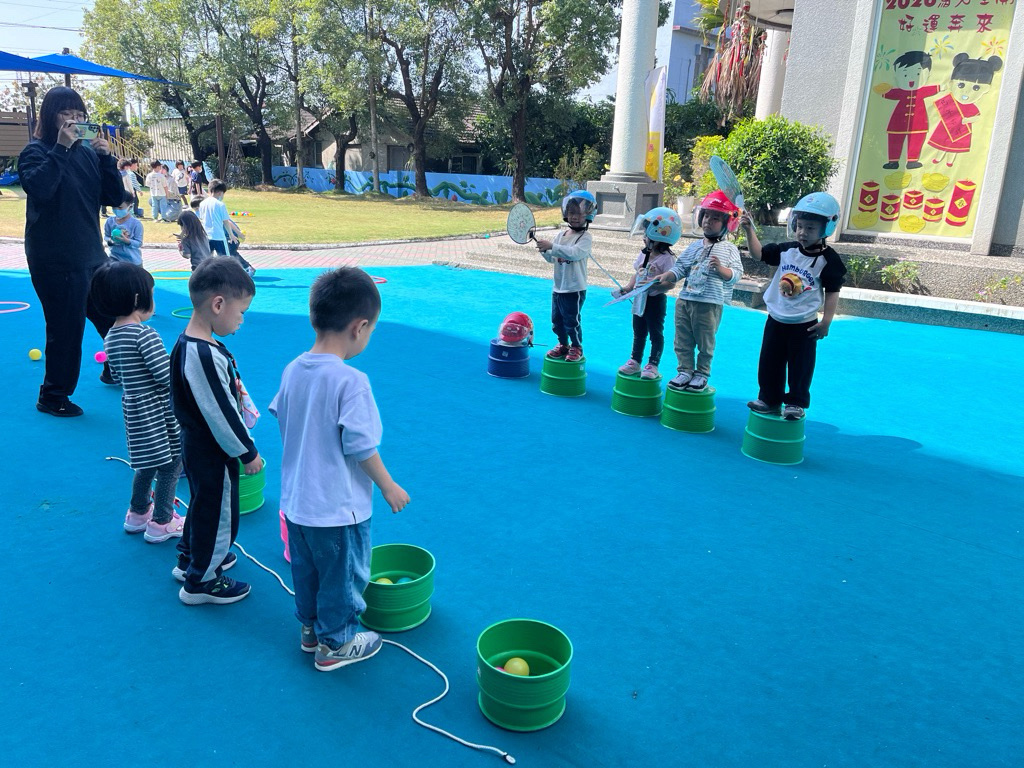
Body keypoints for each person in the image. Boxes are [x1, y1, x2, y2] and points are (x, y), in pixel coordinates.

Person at [270, 267, 410, 671]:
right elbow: (361, 445)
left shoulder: (293, 369)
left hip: (297, 504)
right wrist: (388, 486)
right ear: (359, 327)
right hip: (337, 509)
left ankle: (311, 630)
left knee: (308, 571)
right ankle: (338, 642)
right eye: (371, 330)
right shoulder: (351, 381)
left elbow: (282, 416)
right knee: (343, 575)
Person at [18, 85, 124, 417]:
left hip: (92, 253)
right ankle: (53, 396)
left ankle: (114, 367)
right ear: (51, 117)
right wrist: (62, 148)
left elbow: (114, 198)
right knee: (66, 328)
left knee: (115, 318)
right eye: (67, 114)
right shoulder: (35, 152)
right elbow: (41, 189)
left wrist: (106, 159)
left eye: (80, 114)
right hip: (55, 258)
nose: (75, 120)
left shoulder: (88, 154)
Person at [170, 257, 262, 604]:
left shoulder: (190, 343)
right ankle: (202, 580)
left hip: (197, 444)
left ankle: (191, 557)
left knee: (203, 503)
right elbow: (219, 412)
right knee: (219, 512)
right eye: (241, 312)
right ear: (218, 304)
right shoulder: (203, 354)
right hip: (212, 450)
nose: (241, 320)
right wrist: (247, 452)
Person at [89, 261, 185, 543]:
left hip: (134, 409)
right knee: (171, 462)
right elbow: (166, 377)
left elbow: (119, 375)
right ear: (137, 299)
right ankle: (162, 521)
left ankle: (138, 513)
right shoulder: (145, 334)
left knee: (147, 462)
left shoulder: (111, 336)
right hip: (158, 410)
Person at [740, 193, 847, 420]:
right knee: (769, 361)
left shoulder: (829, 260)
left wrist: (826, 321)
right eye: (799, 226)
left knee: (801, 365)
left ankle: (796, 403)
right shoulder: (787, 250)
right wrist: (749, 230)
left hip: (804, 325)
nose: (802, 232)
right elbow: (759, 254)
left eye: (810, 228)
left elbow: (832, 291)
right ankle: (769, 399)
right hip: (776, 319)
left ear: (827, 228)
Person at [655, 191, 744, 392]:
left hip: (709, 303)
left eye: (715, 218)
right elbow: (681, 268)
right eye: (706, 216)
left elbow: (736, 274)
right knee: (682, 339)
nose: (708, 221)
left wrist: (721, 269)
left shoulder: (729, 249)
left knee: (705, 341)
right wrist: (667, 275)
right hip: (685, 300)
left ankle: (702, 373)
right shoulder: (694, 246)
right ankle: (685, 370)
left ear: (728, 223)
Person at [614, 207, 682, 380]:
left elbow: (671, 283)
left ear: (660, 236)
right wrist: (628, 288)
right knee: (639, 331)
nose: (644, 236)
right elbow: (637, 274)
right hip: (640, 299)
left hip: (655, 301)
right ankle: (635, 360)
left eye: (647, 233)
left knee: (655, 333)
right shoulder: (644, 254)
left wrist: (656, 284)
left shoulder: (667, 259)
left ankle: (653, 364)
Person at [534, 190, 594, 362]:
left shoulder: (585, 238)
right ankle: (563, 344)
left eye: (579, 213)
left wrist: (552, 246)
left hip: (574, 289)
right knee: (556, 321)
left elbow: (574, 253)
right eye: (571, 212)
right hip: (558, 287)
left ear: (588, 215)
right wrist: (544, 250)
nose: (574, 217)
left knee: (571, 321)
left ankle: (576, 346)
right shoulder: (560, 235)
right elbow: (552, 258)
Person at [198, 178, 254, 274]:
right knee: (226, 260)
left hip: (207, 236)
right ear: (220, 193)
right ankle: (230, 276)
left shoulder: (202, 204)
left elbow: (202, 219)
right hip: (219, 237)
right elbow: (226, 221)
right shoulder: (220, 204)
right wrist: (232, 235)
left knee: (206, 260)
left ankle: (207, 275)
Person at [104, 189, 145, 265]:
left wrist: (127, 241)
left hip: (133, 262)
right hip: (114, 259)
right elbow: (106, 236)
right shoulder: (109, 221)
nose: (116, 210)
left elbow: (139, 243)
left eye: (120, 208)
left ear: (130, 207)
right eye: (114, 207)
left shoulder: (136, 224)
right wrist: (110, 240)